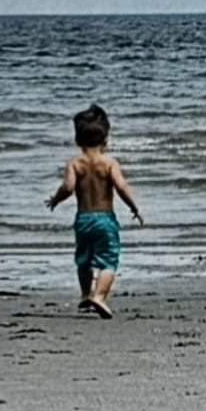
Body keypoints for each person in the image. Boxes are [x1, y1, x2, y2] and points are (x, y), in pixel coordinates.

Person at [46, 104, 143, 319]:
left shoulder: (75, 163)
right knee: (109, 260)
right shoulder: (109, 163)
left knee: (84, 259)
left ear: (77, 140)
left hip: (83, 220)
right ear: (106, 138)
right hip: (105, 220)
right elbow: (121, 186)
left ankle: (85, 294)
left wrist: (55, 199)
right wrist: (133, 207)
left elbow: (68, 188)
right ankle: (99, 296)